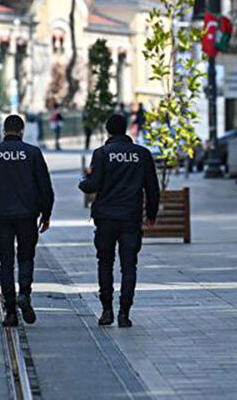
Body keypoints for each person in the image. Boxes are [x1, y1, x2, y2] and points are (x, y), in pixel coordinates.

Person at [79, 113, 160, 328]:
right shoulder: (142, 154)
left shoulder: (101, 154)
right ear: (126, 129)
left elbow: (92, 185)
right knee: (129, 265)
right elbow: (152, 188)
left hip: (105, 218)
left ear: (108, 131)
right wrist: (151, 215)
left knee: (105, 263)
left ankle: (107, 310)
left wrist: (83, 179)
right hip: (131, 217)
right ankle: (125, 313)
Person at [0, 114, 54, 327]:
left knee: (6, 261)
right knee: (26, 257)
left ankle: (10, 311)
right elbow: (45, 187)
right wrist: (46, 215)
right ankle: (24, 294)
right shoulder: (33, 153)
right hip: (28, 215)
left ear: (3, 131)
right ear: (22, 131)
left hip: (1, 216)